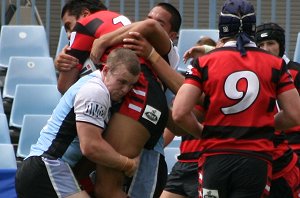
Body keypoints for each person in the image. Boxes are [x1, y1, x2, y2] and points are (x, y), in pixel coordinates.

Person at [172, 0, 300, 198]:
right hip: (255, 159)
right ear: (252, 28)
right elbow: (294, 114)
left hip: (216, 156)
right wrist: (262, 126)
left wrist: (203, 133)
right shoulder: (274, 63)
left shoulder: (205, 62)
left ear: (222, 28)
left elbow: (179, 112)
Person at [54, 1, 179, 197]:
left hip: (140, 102)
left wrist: (85, 49)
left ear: (85, 14)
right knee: (83, 179)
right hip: (146, 108)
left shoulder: (90, 28)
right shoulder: (125, 35)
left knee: (107, 189)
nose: (70, 34)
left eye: (69, 26)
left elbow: (64, 87)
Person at [15, 48, 141, 198]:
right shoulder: (95, 91)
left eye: (131, 85)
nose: (125, 89)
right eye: (122, 82)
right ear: (106, 70)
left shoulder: (92, 84)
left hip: (42, 168)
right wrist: (127, 164)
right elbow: (91, 147)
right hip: (48, 166)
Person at [90, 3, 185, 197]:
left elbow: (176, 118)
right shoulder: (130, 54)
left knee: (109, 189)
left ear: (172, 36)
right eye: (147, 18)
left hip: (148, 153)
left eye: (160, 23)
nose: (150, 24)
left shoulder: (168, 57)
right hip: (120, 141)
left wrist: (103, 40)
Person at [160, 37, 216, 198]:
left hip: (203, 163)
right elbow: (170, 132)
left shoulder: (213, 94)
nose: (197, 66)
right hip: (183, 164)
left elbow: (185, 115)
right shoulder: (187, 95)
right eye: (195, 62)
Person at [255, 22, 300, 198]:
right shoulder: (254, 74)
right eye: (260, 45)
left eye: (271, 43)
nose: (266, 49)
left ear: (281, 46)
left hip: (294, 151)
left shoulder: (296, 73)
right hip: (267, 151)